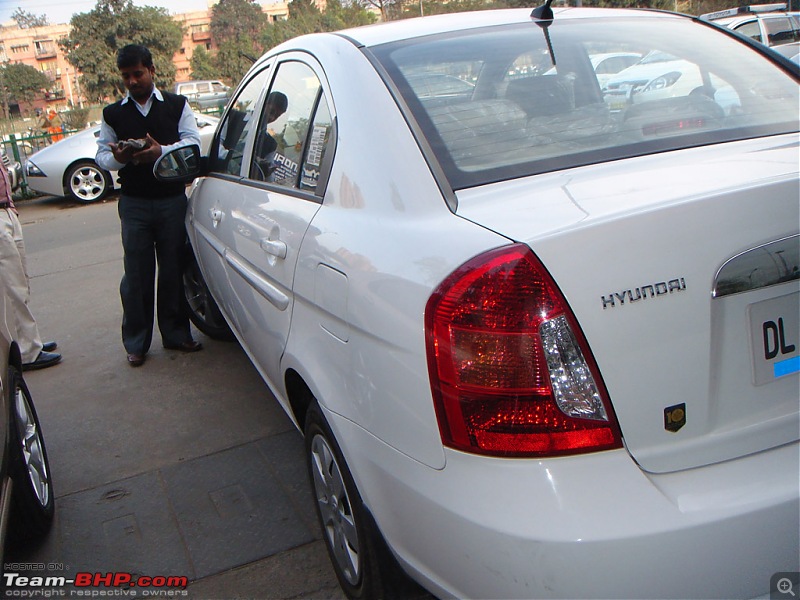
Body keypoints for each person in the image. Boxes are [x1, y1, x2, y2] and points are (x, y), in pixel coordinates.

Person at [96, 44, 203, 367]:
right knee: (137, 275)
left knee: (173, 268)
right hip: (134, 204)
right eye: (126, 76)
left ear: (152, 71)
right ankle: (136, 343)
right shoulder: (113, 114)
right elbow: (101, 155)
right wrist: (117, 158)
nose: (132, 81)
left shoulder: (176, 105)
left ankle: (175, 334)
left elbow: (193, 143)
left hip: (171, 200)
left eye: (138, 74)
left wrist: (161, 151)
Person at [0, 160, 62, 370]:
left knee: (20, 282)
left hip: (7, 211)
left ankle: (27, 341)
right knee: (11, 288)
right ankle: (27, 351)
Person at [252, 91, 288, 181]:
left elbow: (269, 180)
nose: (272, 118)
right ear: (263, 104)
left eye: (277, 116)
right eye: (272, 111)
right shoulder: (234, 119)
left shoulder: (270, 144)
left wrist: (267, 171)